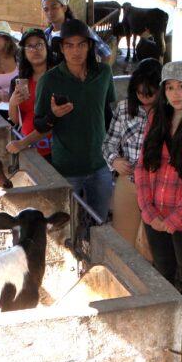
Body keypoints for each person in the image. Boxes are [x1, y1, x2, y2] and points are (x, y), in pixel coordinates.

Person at [135, 62, 182, 309]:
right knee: (163, 272)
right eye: (170, 88)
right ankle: (167, 323)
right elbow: (142, 165)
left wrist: (174, 219)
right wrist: (148, 210)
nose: (176, 94)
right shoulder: (156, 117)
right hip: (155, 216)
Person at [34, 19, 116, 221]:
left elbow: (107, 114)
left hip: (101, 164)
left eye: (81, 44)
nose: (75, 51)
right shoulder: (49, 80)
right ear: (61, 48)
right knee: (67, 226)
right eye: (69, 45)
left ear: (89, 46)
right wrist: (54, 115)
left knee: (101, 223)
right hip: (66, 167)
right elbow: (39, 124)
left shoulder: (104, 73)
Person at [102, 58, 161, 248]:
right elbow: (108, 143)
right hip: (128, 180)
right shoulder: (124, 108)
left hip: (158, 185)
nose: (144, 98)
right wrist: (115, 160)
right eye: (139, 92)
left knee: (149, 244)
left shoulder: (169, 112)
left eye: (150, 93)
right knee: (123, 239)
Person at [5, 29, 55, 161]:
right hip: (31, 150)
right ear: (24, 53)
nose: (35, 50)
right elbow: (17, 120)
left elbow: (58, 118)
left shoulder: (58, 77)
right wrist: (12, 103)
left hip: (56, 150)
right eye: (30, 47)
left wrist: (24, 142)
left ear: (46, 47)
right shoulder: (20, 81)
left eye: (39, 44)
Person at [41, 0, 111, 63]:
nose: (50, 12)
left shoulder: (80, 29)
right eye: (46, 9)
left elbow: (106, 53)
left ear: (64, 8)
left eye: (54, 7)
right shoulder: (46, 34)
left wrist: (101, 73)